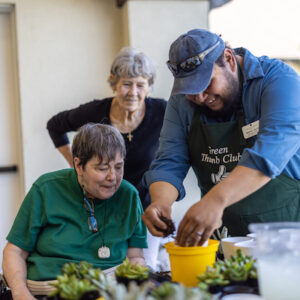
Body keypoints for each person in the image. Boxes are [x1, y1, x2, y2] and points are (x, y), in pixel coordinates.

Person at [142, 28, 300, 246]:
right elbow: (169, 160)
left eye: (205, 83)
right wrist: (160, 203)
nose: (198, 96)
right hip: (226, 241)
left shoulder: (278, 80)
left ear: (229, 59)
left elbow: (270, 152)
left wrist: (216, 200)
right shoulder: (182, 102)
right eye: (190, 89)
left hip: (288, 237)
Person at [46, 47, 166, 270]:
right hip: (104, 211)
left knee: (144, 270)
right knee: (106, 270)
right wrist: (77, 166)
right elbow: (55, 125)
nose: (133, 92)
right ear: (114, 84)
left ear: (149, 87)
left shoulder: (163, 112)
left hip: (145, 211)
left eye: (140, 85)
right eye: (126, 84)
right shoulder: (95, 112)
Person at [2, 123, 147, 299]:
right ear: (78, 165)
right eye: (102, 168)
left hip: (107, 291)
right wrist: (20, 293)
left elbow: (135, 256)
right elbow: (14, 251)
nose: (112, 177)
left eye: (118, 166)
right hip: (47, 291)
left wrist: (136, 287)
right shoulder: (46, 189)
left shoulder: (129, 195)